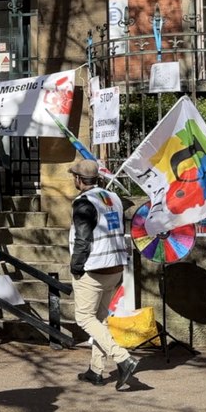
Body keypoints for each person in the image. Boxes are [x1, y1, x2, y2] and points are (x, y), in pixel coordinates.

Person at [67, 159, 137, 388]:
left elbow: (83, 239)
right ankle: (95, 370)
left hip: (94, 268)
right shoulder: (113, 198)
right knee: (99, 320)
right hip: (115, 266)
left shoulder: (84, 202)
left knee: (84, 318)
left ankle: (123, 358)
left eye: (74, 177)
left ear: (79, 179)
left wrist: (76, 267)